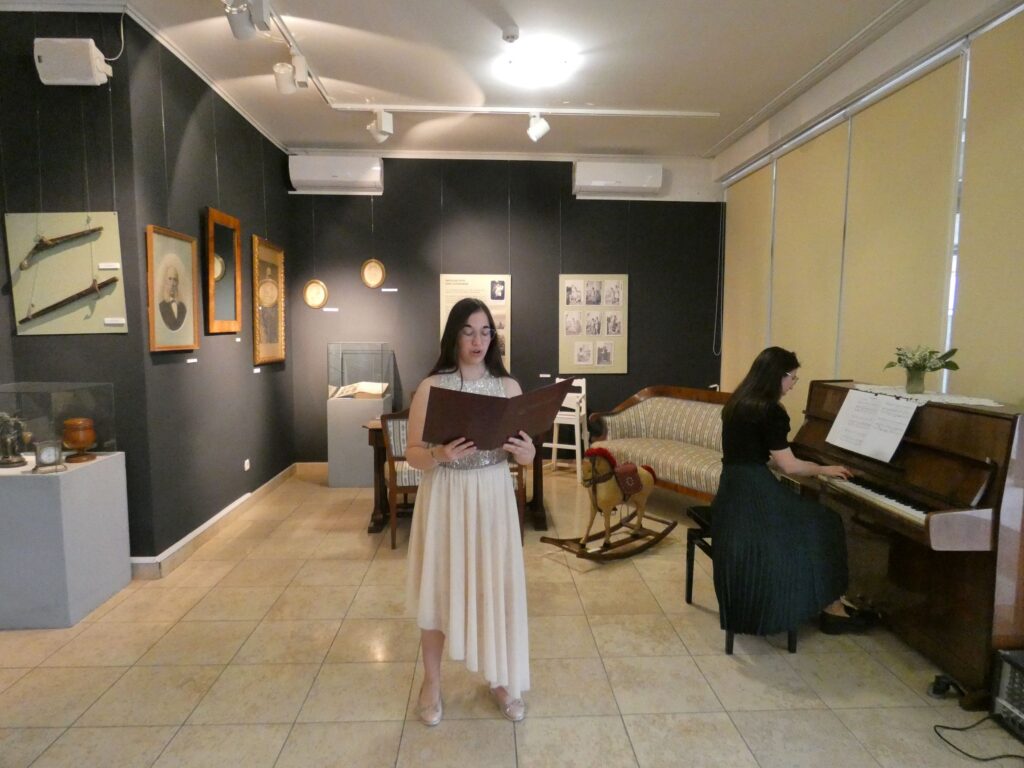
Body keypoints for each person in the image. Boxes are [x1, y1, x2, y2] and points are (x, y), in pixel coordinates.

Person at [405, 297, 536, 726]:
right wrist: (439, 454)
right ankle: (432, 682)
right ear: (454, 336)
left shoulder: (508, 387)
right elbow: (412, 454)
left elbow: (526, 455)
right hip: (447, 494)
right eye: (468, 332)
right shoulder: (432, 387)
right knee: (440, 587)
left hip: (493, 495)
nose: (478, 341)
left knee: (494, 588)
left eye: (485, 332)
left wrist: (528, 453)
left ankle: (501, 679)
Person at [711, 346, 870, 637]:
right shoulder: (769, 410)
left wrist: (807, 465)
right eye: (792, 378)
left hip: (733, 489)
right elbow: (789, 466)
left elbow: (760, 455)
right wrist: (824, 469)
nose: (793, 384)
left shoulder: (739, 402)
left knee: (812, 520)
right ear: (777, 376)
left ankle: (826, 600)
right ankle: (831, 608)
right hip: (754, 492)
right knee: (827, 522)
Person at [158, 264, 187, 331]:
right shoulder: (161, 307)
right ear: (165, 281)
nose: (172, 283)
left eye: (175, 279)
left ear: (177, 283)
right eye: (170, 279)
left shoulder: (183, 308)